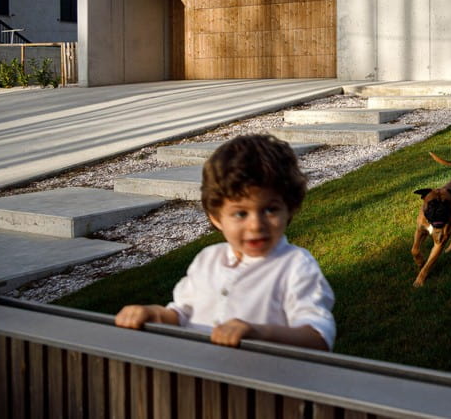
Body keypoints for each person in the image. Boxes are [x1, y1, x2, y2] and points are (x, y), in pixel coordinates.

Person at [115, 134, 335, 350]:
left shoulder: (295, 266)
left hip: (261, 380)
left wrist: (258, 332)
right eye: (240, 214)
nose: (256, 225)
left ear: (290, 209)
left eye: (270, 210)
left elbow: (318, 337)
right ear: (216, 218)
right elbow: (182, 313)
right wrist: (153, 314)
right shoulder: (207, 260)